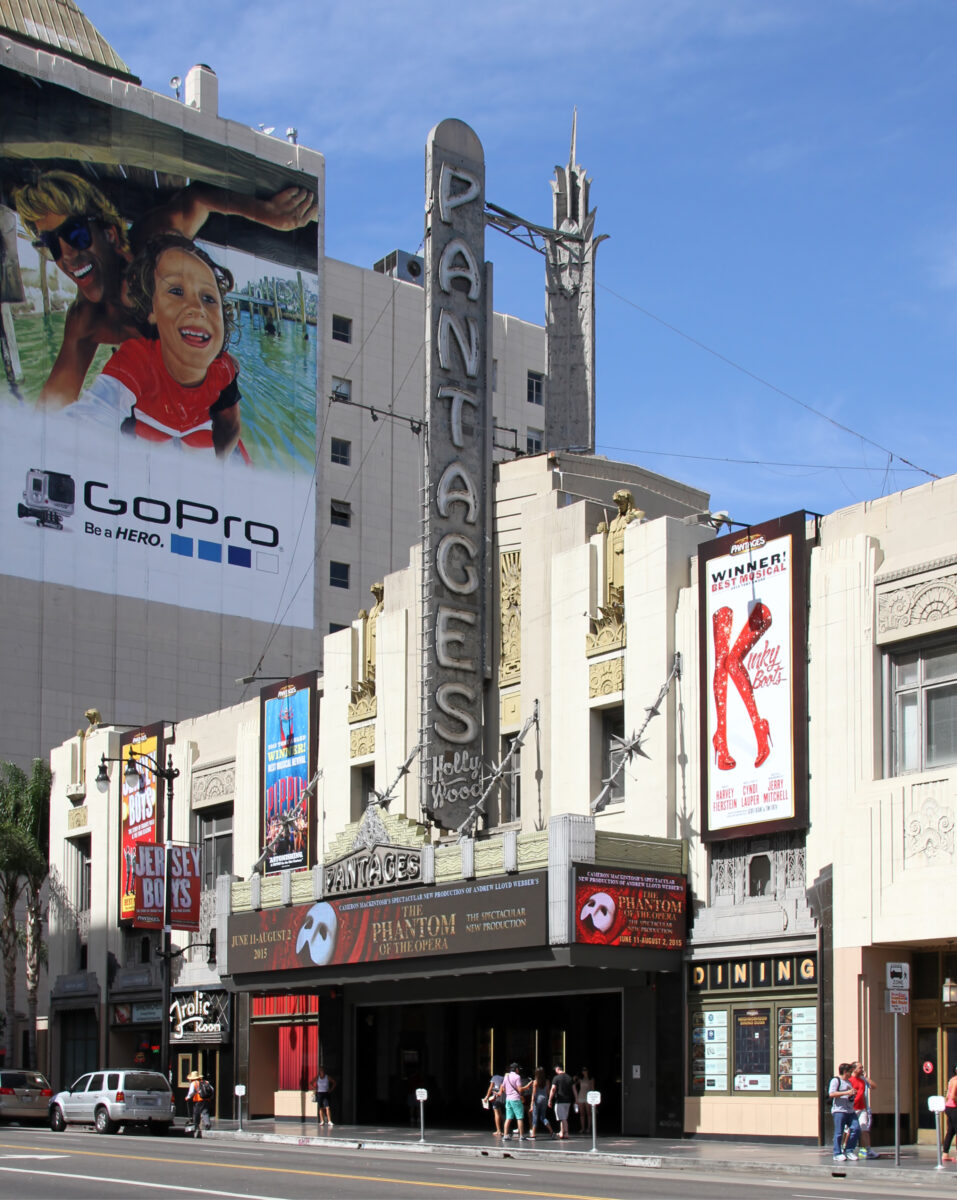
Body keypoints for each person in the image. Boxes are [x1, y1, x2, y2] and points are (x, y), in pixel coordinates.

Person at [14, 169, 317, 408]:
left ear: (107, 233)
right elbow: (50, 413)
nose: (66, 255)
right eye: (52, 245)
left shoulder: (150, 241)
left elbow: (197, 198)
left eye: (76, 235)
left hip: (208, 382)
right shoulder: (87, 320)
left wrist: (267, 212)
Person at [66, 234, 245, 458]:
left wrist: (220, 469)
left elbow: (230, 427)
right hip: (151, 426)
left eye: (209, 298)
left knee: (201, 445)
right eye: (177, 292)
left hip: (198, 431)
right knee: (150, 438)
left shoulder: (224, 370)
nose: (197, 308)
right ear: (152, 310)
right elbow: (95, 411)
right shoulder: (138, 358)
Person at [829, 1062, 859, 1162]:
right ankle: (837, 1153)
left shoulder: (849, 1082)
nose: (851, 1074)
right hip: (839, 1110)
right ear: (845, 1072)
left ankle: (849, 1150)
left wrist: (852, 1093)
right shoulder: (836, 1080)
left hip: (850, 1110)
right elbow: (832, 1094)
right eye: (850, 1072)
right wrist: (846, 1092)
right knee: (839, 1132)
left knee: (856, 1128)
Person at [850, 1061, 878, 1159]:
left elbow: (874, 1086)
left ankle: (868, 1149)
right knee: (849, 1130)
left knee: (864, 1130)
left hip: (862, 1108)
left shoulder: (862, 1080)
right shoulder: (849, 1080)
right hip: (851, 1109)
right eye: (860, 1068)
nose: (862, 1069)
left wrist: (866, 1077)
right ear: (853, 1069)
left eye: (862, 1067)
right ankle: (847, 1149)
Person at [498, 1061, 530, 1142]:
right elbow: (519, 1089)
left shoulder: (506, 1077)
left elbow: (503, 1088)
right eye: (518, 1069)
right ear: (516, 1069)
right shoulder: (517, 1077)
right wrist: (527, 1087)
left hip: (508, 1099)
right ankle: (521, 1136)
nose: (519, 1070)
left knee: (508, 1118)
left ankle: (505, 1135)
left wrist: (509, 1092)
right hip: (516, 1099)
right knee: (519, 1117)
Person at [548, 1062, 575, 1140]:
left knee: (562, 1118)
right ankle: (561, 1132)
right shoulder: (569, 1077)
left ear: (557, 1069)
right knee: (563, 1116)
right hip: (568, 1100)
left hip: (560, 1100)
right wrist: (576, 1099)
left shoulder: (556, 1078)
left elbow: (553, 1089)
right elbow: (574, 1089)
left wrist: (549, 1099)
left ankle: (566, 1132)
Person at [528, 1067, 554, 1139]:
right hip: (544, 1099)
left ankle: (533, 1133)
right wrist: (549, 1100)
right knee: (543, 1117)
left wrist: (531, 1105)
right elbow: (548, 1091)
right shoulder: (547, 1081)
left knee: (535, 1116)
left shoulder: (535, 1081)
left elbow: (534, 1093)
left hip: (537, 1100)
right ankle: (551, 1131)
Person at [185, 1070, 207, 1138]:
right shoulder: (204, 1082)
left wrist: (187, 1097)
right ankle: (207, 1123)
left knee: (196, 1113)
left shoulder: (194, 1083)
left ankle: (196, 1126)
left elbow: (191, 1092)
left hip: (198, 1100)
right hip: (206, 1099)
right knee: (205, 1112)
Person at [483, 1070, 505, 1136]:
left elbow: (490, 1088)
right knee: (502, 1113)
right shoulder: (505, 1077)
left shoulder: (494, 1077)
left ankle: (498, 1130)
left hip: (496, 1097)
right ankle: (506, 1129)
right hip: (504, 1096)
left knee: (496, 1113)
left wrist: (486, 1097)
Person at [943, 1064, 957, 1162]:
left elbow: (947, 1095)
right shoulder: (956, 1081)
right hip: (954, 1108)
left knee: (950, 1131)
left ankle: (945, 1154)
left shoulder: (951, 1080)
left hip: (948, 1107)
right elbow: (952, 1096)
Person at [576, 1067, 596, 1134]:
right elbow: (574, 1084)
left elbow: (593, 1089)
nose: (584, 1071)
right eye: (583, 1070)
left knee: (588, 1113)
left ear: (588, 1071)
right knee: (582, 1113)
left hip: (588, 1097)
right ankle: (582, 1128)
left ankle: (588, 1128)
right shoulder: (580, 1079)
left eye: (585, 1070)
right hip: (581, 1096)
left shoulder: (591, 1079)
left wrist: (593, 1099)